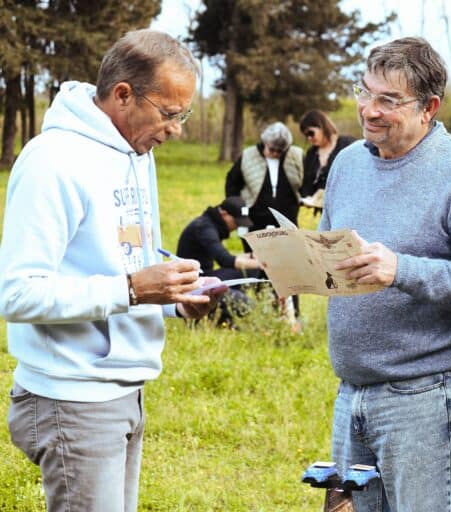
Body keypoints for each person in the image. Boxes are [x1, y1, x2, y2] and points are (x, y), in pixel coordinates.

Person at [0, 30, 224, 511]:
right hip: (73, 398)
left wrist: (175, 301)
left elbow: (122, 263)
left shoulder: (137, 153)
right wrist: (133, 290)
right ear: (123, 95)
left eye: (183, 115)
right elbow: (16, 294)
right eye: (169, 114)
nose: (177, 130)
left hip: (125, 391)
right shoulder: (52, 162)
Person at [319, 37, 451, 511]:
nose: (369, 110)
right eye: (365, 92)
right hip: (352, 392)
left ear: (429, 107)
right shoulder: (347, 163)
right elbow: (328, 249)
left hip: (425, 397)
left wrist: (401, 270)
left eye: (389, 100)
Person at [225, 121, 304, 328]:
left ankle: (292, 316)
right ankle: (264, 313)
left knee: (289, 269)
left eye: (280, 151)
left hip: (286, 223)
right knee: (260, 270)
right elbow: (232, 185)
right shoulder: (248, 156)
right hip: (255, 223)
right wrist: (240, 215)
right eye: (272, 149)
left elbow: (306, 182)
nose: (276, 154)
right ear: (264, 143)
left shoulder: (296, 155)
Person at [176, 196, 263, 327]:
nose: (236, 227)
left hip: (206, 276)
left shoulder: (210, 224)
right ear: (224, 214)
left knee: (251, 269)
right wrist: (263, 264)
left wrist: (251, 257)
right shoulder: (204, 228)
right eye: (236, 222)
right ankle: (214, 315)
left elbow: (228, 258)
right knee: (246, 303)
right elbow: (225, 260)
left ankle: (226, 311)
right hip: (195, 285)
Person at [298, 109, 355, 211]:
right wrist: (309, 198)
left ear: (321, 126)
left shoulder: (348, 144)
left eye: (311, 133)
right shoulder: (311, 153)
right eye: (306, 136)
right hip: (321, 212)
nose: (309, 138)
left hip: (346, 207)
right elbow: (307, 184)